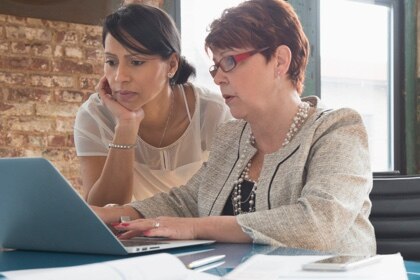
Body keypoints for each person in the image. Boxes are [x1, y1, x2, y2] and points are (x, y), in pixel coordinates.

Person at [93, 0, 376, 255]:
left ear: (280, 61)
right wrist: (111, 214)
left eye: (230, 61)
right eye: (216, 66)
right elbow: (187, 201)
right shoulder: (232, 136)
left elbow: (317, 223)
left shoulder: (337, 129)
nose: (218, 79)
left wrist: (194, 228)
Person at [74, 4, 231, 206]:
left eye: (136, 62)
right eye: (111, 62)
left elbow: (228, 202)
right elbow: (100, 210)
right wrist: (126, 125)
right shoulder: (94, 115)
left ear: (172, 65)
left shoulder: (212, 112)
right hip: (125, 236)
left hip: (197, 233)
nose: (119, 77)